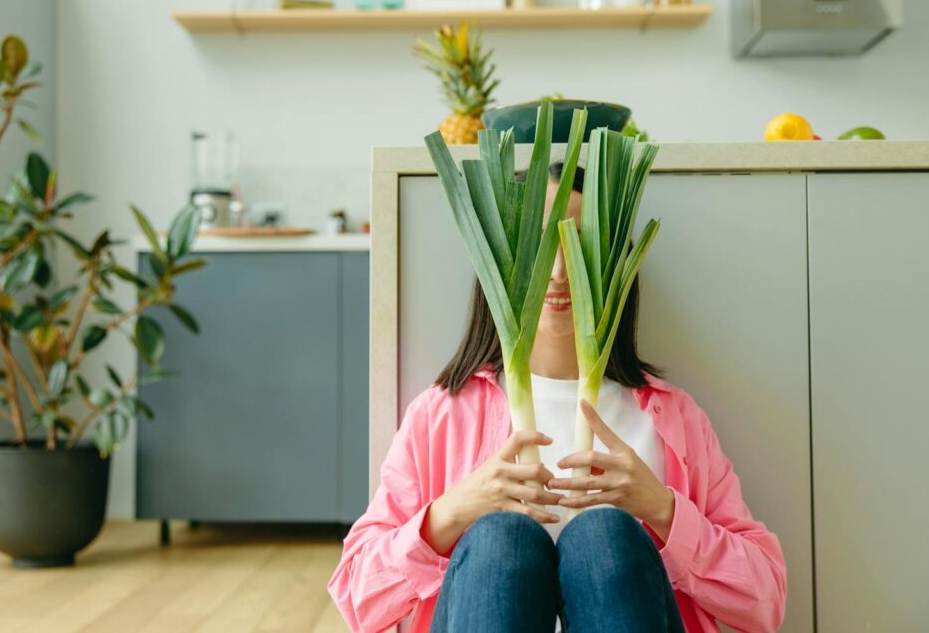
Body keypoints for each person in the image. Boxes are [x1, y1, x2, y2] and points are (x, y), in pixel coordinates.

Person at [328, 163, 787, 632]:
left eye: (581, 245)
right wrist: (452, 512)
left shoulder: (672, 418)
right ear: (502, 260)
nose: (561, 271)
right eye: (541, 244)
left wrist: (663, 511)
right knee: (500, 539)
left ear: (615, 262)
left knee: (603, 537)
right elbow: (358, 598)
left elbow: (764, 601)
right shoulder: (443, 413)